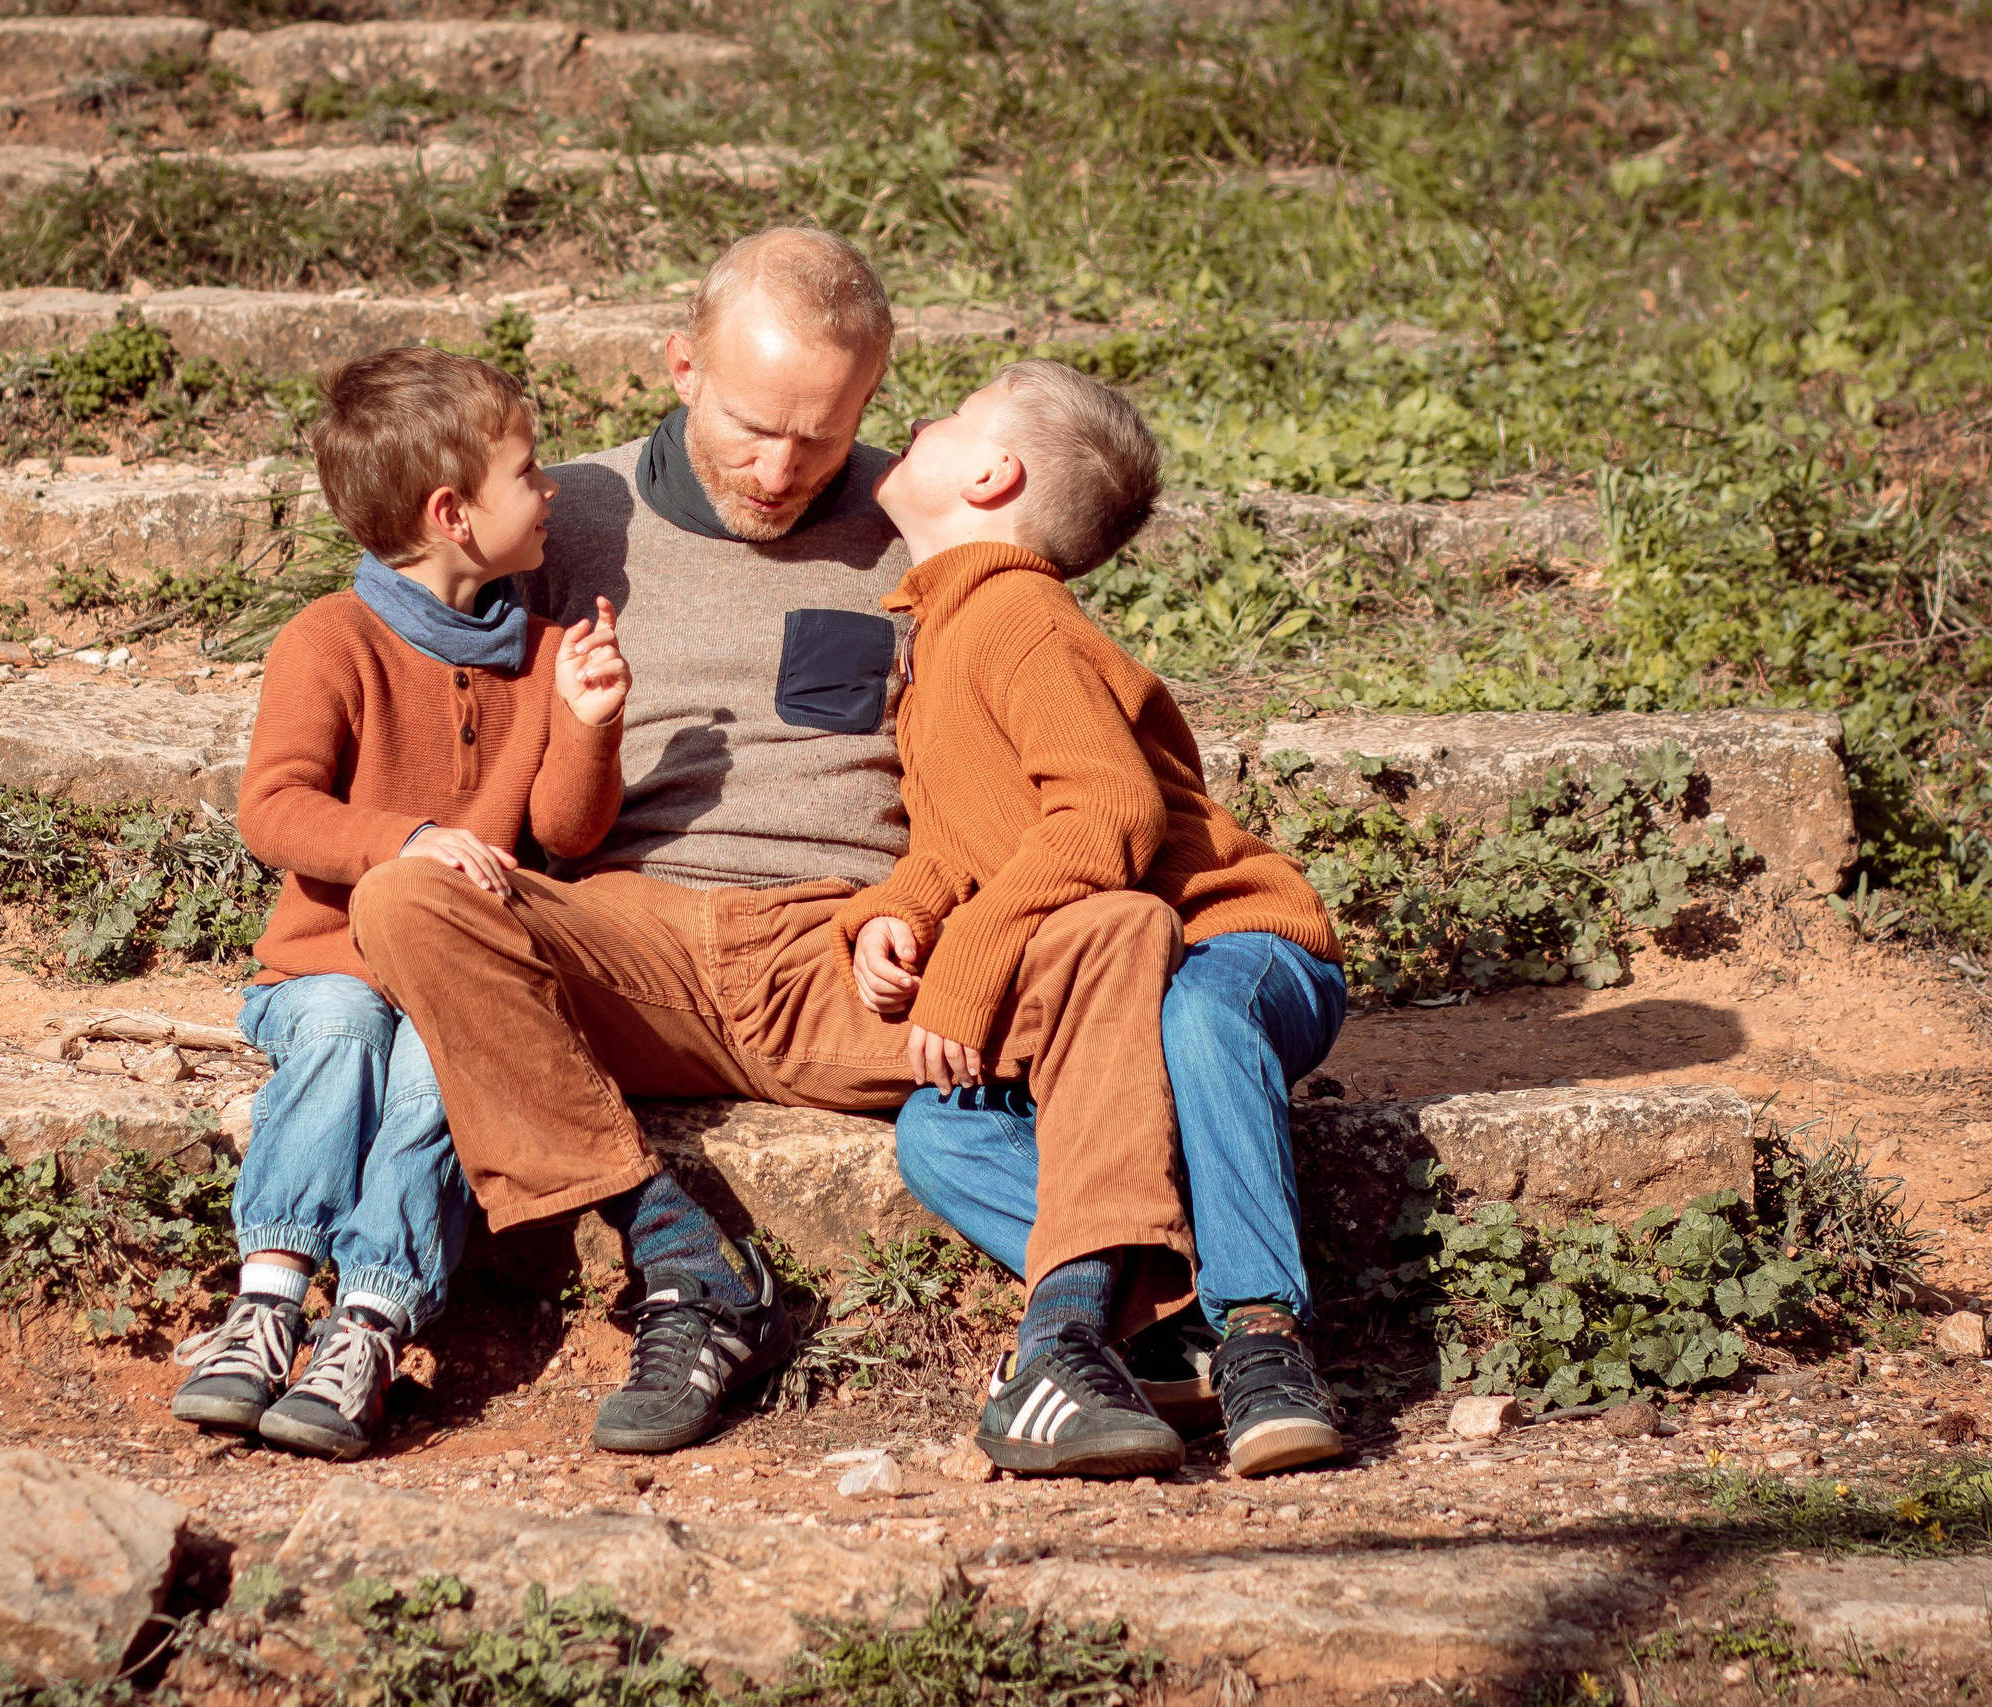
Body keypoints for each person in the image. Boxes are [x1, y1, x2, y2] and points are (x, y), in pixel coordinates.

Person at [346, 229, 1195, 1458]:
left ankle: (1073, 1329)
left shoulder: (928, 522)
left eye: (825, 433)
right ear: (683, 366)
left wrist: (932, 917)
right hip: (623, 941)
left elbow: (1030, 759)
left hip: (849, 954)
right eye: (753, 424)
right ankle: (681, 1258)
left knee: (1121, 928)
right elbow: (430, 706)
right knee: (409, 902)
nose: (783, 466)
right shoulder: (559, 517)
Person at [849, 360, 1354, 1478]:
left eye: (949, 415)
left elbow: (1111, 811)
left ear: (993, 474)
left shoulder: (1016, 615)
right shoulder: (938, 638)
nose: (919, 422)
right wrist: (902, 912)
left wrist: (977, 950)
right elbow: (954, 839)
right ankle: (1166, 1304)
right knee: (941, 1133)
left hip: (1235, 945)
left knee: (1195, 1018)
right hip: (1110, 988)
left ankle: (1263, 1335)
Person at [168, 346, 631, 1461]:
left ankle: (369, 1319)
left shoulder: (546, 655)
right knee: (341, 1027)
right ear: (453, 514)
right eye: (527, 473)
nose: (551, 491)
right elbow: (274, 809)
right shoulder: (330, 639)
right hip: (323, 963)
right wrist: (408, 841)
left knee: (436, 1061)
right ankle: (268, 1297)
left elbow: (568, 834)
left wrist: (588, 721)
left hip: (450, 973)